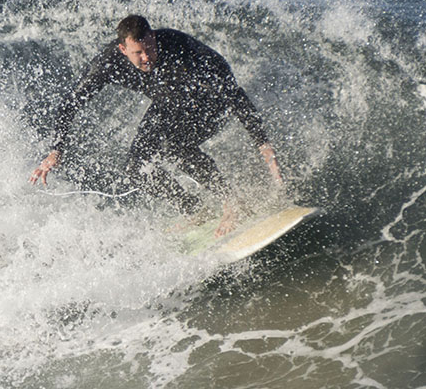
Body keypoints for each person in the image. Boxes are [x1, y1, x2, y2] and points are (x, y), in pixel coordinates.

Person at [30, 15, 282, 236]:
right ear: (122, 49)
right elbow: (69, 104)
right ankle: (194, 210)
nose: (147, 57)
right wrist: (56, 151)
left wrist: (263, 143)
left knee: (177, 147)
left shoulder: (179, 47)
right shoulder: (107, 64)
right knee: (135, 168)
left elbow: (231, 91)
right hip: (167, 103)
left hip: (209, 100)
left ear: (154, 38)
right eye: (138, 52)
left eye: (150, 48)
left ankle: (231, 202)